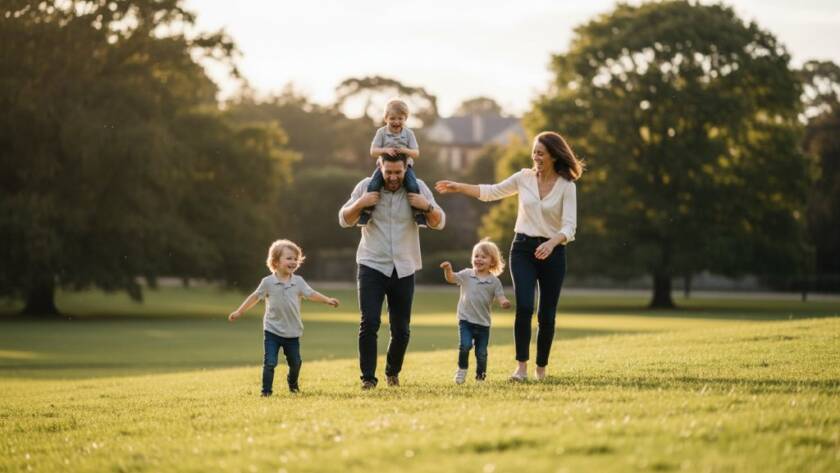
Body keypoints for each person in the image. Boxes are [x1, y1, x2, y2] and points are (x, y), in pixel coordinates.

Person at [435, 131, 584, 382]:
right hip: (523, 249)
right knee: (525, 306)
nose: (535, 157)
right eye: (534, 151)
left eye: (540, 153)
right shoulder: (523, 178)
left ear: (554, 156)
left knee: (547, 313)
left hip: (554, 251)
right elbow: (491, 191)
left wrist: (551, 243)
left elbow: (569, 227)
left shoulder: (567, 186)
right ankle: (521, 368)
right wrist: (460, 187)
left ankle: (541, 369)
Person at [339, 153, 446, 389]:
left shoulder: (418, 188)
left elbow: (440, 222)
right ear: (380, 166)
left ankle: (392, 372)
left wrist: (426, 206)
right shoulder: (366, 186)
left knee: (401, 330)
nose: (394, 177)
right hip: (371, 264)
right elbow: (344, 219)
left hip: (404, 267)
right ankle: (368, 378)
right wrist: (360, 203)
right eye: (389, 172)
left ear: (407, 168)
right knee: (369, 323)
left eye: (398, 172)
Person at [227, 239, 339, 395]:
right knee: (270, 362)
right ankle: (266, 392)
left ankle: (292, 384)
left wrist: (327, 300)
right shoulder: (268, 282)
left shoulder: (298, 282)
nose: (293, 262)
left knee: (295, 363)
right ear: (275, 261)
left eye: (295, 259)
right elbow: (255, 297)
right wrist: (239, 311)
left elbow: (311, 294)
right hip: (272, 330)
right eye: (289, 258)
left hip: (292, 332)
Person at [440, 238, 511, 384]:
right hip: (465, 320)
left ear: (492, 262)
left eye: (483, 257)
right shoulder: (467, 274)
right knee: (465, 346)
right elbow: (451, 278)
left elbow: (500, 296)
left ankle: (480, 377)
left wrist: (504, 302)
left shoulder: (494, 281)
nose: (478, 259)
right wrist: (448, 270)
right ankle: (462, 370)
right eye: (476, 256)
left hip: (483, 323)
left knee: (481, 353)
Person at [358, 99, 427, 228]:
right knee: (373, 184)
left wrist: (404, 150)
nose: (396, 122)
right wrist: (385, 150)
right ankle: (366, 212)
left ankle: (418, 213)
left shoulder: (409, 133)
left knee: (412, 184)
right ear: (386, 118)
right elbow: (373, 151)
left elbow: (416, 153)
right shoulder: (381, 133)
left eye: (400, 118)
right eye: (392, 118)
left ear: (405, 118)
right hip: (384, 167)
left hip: (405, 167)